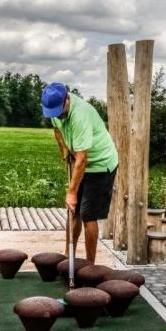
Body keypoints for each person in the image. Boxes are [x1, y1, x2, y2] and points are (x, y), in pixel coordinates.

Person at [41, 82, 118, 263]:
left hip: (100, 164)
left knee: (87, 214)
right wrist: (64, 149)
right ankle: (70, 259)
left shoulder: (80, 115)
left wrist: (71, 192)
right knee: (72, 212)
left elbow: (83, 159)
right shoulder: (55, 110)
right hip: (80, 161)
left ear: (67, 99)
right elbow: (57, 128)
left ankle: (90, 265)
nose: (57, 116)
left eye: (59, 111)